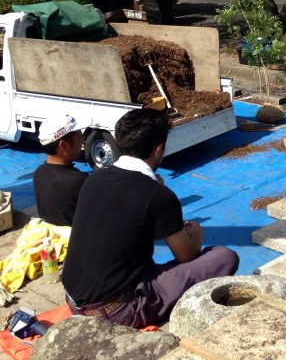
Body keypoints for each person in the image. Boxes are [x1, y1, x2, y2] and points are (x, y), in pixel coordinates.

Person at [62, 108, 239, 327]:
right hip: (120, 309)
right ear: (158, 149)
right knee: (224, 256)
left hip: (75, 301)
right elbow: (186, 255)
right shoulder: (159, 196)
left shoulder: (93, 180)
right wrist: (196, 233)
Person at [33, 114, 91, 226]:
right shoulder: (79, 180)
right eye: (80, 140)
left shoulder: (38, 173)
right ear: (63, 145)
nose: (82, 144)